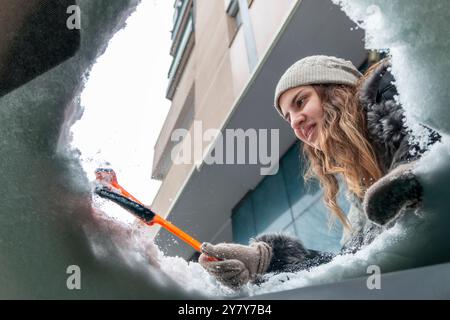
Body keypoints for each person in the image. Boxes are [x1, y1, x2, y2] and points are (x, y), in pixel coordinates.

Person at [198, 55, 441, 289]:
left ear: (334, 90)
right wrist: (265, 262)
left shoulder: (395, 85)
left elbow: (435, 132)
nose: (294, 122)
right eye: (288, 117)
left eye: (300, 102)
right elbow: (349, 268)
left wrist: (418, 171)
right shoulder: (359, 201)